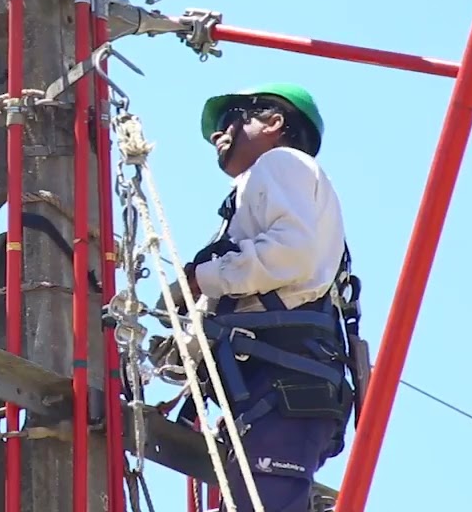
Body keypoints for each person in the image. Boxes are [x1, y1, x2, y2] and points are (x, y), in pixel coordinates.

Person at [153, 83, 366, 512]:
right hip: (273, 397)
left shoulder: (282, 164)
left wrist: (200, 279)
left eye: (231, 117)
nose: (218, 134)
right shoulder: (262, 191)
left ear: (274, 122)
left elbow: (291, 255)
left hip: (285, 391)